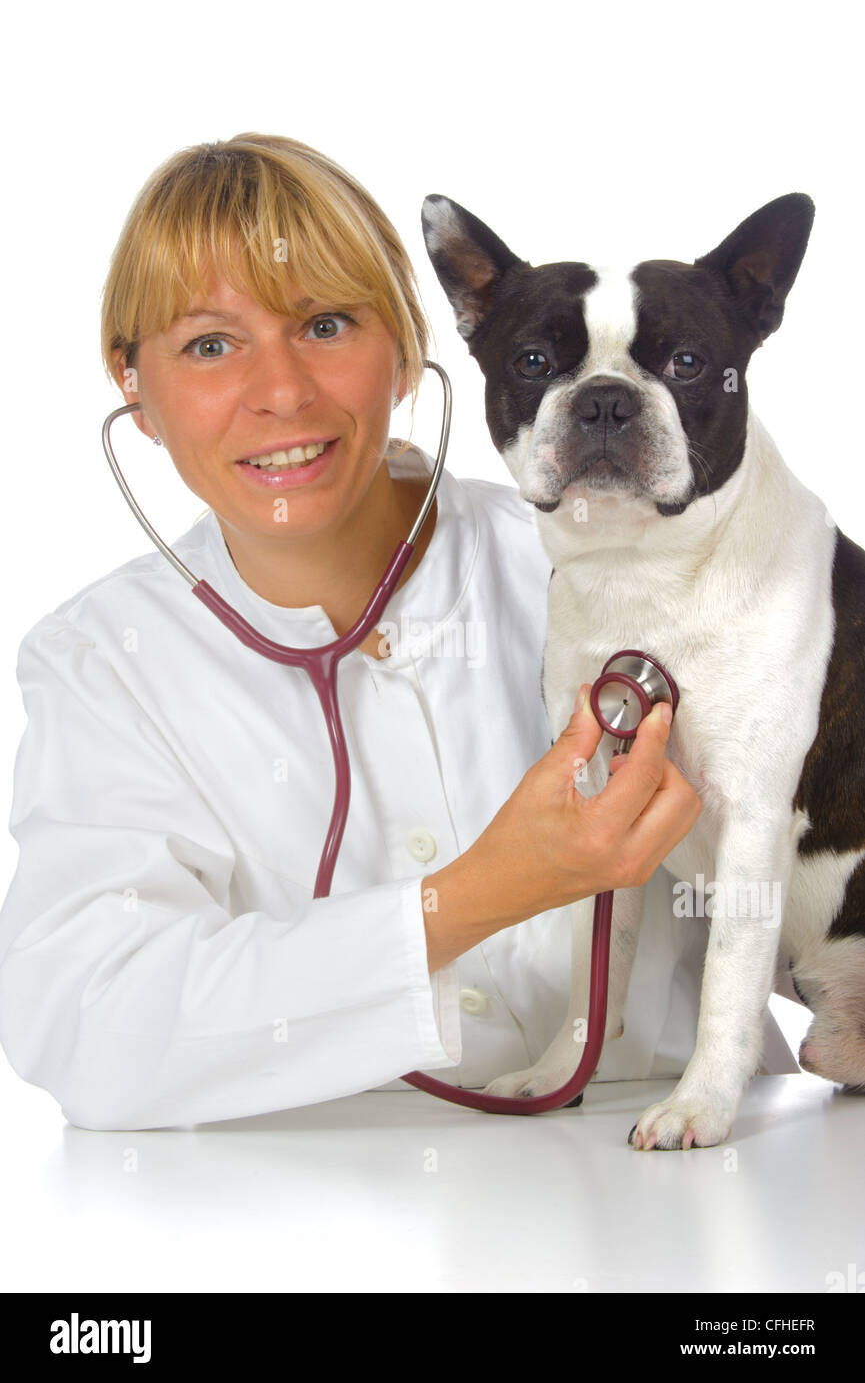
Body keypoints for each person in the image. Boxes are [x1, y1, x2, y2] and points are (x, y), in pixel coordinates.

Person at [0, 133, 795, 1132]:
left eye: (326, 323)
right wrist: (471, 897)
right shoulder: (100, 666)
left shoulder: (634, 566)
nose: (281, 390)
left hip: (727, 1209)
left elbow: (812, 865)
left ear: (411, 346)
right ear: (136, 390)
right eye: (209, 343)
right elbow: (88, 1026)